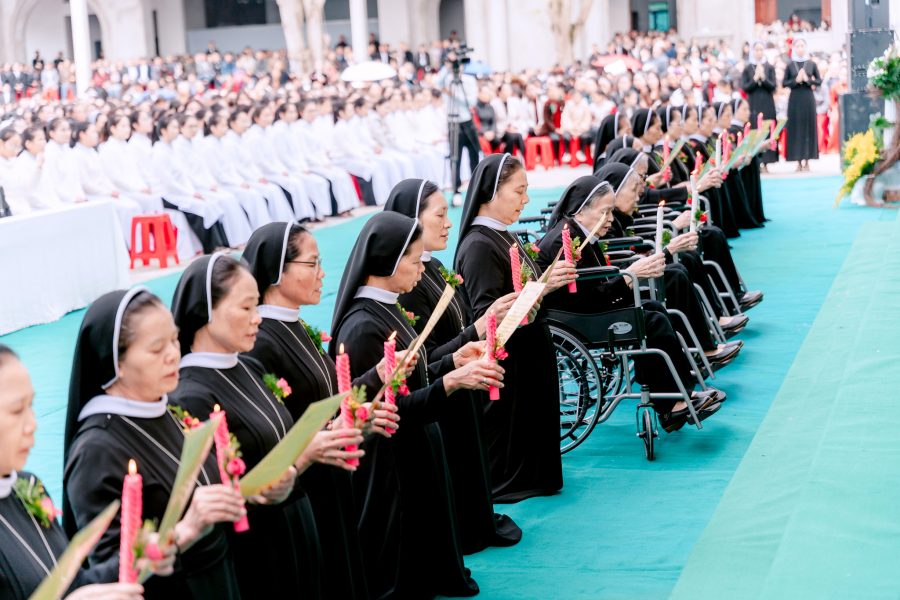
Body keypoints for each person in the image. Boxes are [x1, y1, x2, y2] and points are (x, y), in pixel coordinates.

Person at [330, 211, 504, 598]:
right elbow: (391, 409)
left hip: (419, 446)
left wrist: (452, 361)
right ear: (388, 262)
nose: (421, 268)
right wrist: (451, 382)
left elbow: (414, 376)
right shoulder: (362, 326)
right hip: (395, 462)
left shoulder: (388, 306)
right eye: (413, 260)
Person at [63, 289, 245, 598]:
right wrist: (181, 533)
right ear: (116, 362)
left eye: (174, 340)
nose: (173, 354)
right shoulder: (96, 450)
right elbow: (108, 575)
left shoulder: (170, 409)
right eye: (157, 348)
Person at [242, 222, 385, 600]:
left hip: (330, 478)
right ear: (276, 271)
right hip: (304, 487)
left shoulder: (296, 325)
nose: (323, 274)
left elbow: (327, 401)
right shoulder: (261, 342)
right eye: (312, 264)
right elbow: (272, 430)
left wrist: (365, 402)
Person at [169, 253, 321, 599]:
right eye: (246, 308)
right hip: (257, 552)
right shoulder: (190, 395)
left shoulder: (248, 367)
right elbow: (215, 492)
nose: (258, 318)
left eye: (257, 306)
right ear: (206, 310)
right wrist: (300, 459)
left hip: (294, 528)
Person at [383, 179, 523, 554]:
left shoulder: (436, 267)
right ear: (412, 221)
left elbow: (459, 328)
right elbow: (423, 358)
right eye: (440, 215)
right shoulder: (408, 285)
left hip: (462, 389)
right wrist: (476, 331)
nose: (449, 224)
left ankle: (476, 520)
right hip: (442, 396)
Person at [537, 177, 723, 431]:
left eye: (611, 211)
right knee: (651, 320)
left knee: (654, 309)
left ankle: (676, 392)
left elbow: (595, 286)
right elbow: (584, 297)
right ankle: (671, 403)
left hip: (583, 309)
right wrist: (628, 276)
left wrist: (629, 275)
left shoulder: (577, 233)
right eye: (605, 212)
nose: (611, 219)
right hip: (576, 318)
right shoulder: (564, 241)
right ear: (580, 210)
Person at [0, 344, 173, 600]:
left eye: (31, 405)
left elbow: (72, 583)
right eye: (17, 410)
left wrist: (137, 557)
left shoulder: (27, 486)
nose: (32, 423)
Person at [454, 154, 575, 502]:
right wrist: (543, 287)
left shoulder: (501, 234)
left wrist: (547, 281)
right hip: (511, 361)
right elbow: (488, 317)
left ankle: (533, 476)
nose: (526, 200)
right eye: (519, 191)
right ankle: (512, 481)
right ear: (490, 193)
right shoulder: (479, 245)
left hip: (529, 350)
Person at [596, 162, 742, 366]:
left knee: (685, 261)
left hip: (628, 276)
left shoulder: (617, 217)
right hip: (624, 284)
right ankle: (702, 346)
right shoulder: (603, 223)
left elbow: (634, 247)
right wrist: (668, 243)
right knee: (676, 273)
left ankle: (710, 328)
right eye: (635, 188)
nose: (640, 193)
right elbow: (620, 261)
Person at [97, 112, 201, 260]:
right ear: (112, 129)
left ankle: (161, 245)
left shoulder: (126, 146)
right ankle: (145, 247)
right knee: (146, 203)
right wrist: (138, 188)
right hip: (124, 191)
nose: (127, 129)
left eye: (127, 126)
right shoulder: (109, 148)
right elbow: (116, 177)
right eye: (123, 126)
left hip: (139, 187)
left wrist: (144, 186)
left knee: (155, 202)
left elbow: (136, 172)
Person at [151, 114, 247, 249]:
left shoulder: (172, 148)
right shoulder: (159, 152)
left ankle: (223, 243)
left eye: (177, 127)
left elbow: (185, 175)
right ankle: (212, 247)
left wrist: (192, 191)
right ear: (163, 131)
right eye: (174, 127)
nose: (177, 130)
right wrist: (190, 193)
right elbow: (168, 183)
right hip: (169, 195)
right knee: (202, 207)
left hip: (184, 191)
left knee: (211, 204)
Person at [196, 110, 295, 225]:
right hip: (226, 183)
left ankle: (283, 223)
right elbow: (218, 172)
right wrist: (239, 182)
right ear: (213, 128)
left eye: (225, 125)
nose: (226, 129)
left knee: (272, 189)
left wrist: (257, 177)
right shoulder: (212, 145)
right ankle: (262, 227)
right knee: (253, 195)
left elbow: (243, 165)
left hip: (239, 179)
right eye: (223, 126)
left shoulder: (228, 141)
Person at [436, 53, 480, 202]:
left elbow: (471, 102)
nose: (457, 66)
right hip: (453, 122)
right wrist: (447, 64)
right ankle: (456, 191)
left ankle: (477, 187)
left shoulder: (469, 79)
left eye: (459, 63)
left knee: (474, 156)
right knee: (455, 159)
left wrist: (454, 94)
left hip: (467, 121)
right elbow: (437, 82)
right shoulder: (447, 78)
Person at [783, 38, 822, 171]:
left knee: (808, 127)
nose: (800, 49)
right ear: (794, 48)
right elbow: (784, 83)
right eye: (797, 46)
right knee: (796, 128)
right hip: (795, 99)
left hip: (808, 98)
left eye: (802, 46)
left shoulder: (811, 64)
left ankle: (808, 160)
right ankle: (798, 161)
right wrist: (796, 80)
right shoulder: (790, 65)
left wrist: (807, 80)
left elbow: (819, 81)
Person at [741, 41, 778, 168]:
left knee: (767, 130)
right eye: (756, 50)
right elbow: (745, 87)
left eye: (761, 49)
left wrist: (764, 79)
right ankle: (757, 161)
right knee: (755, 130)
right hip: (753, 104)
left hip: (767, 103)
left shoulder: (769, 67)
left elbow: (773, 86)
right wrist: (755, 79)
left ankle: (767, 162)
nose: (759, 52)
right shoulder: (747, 68)